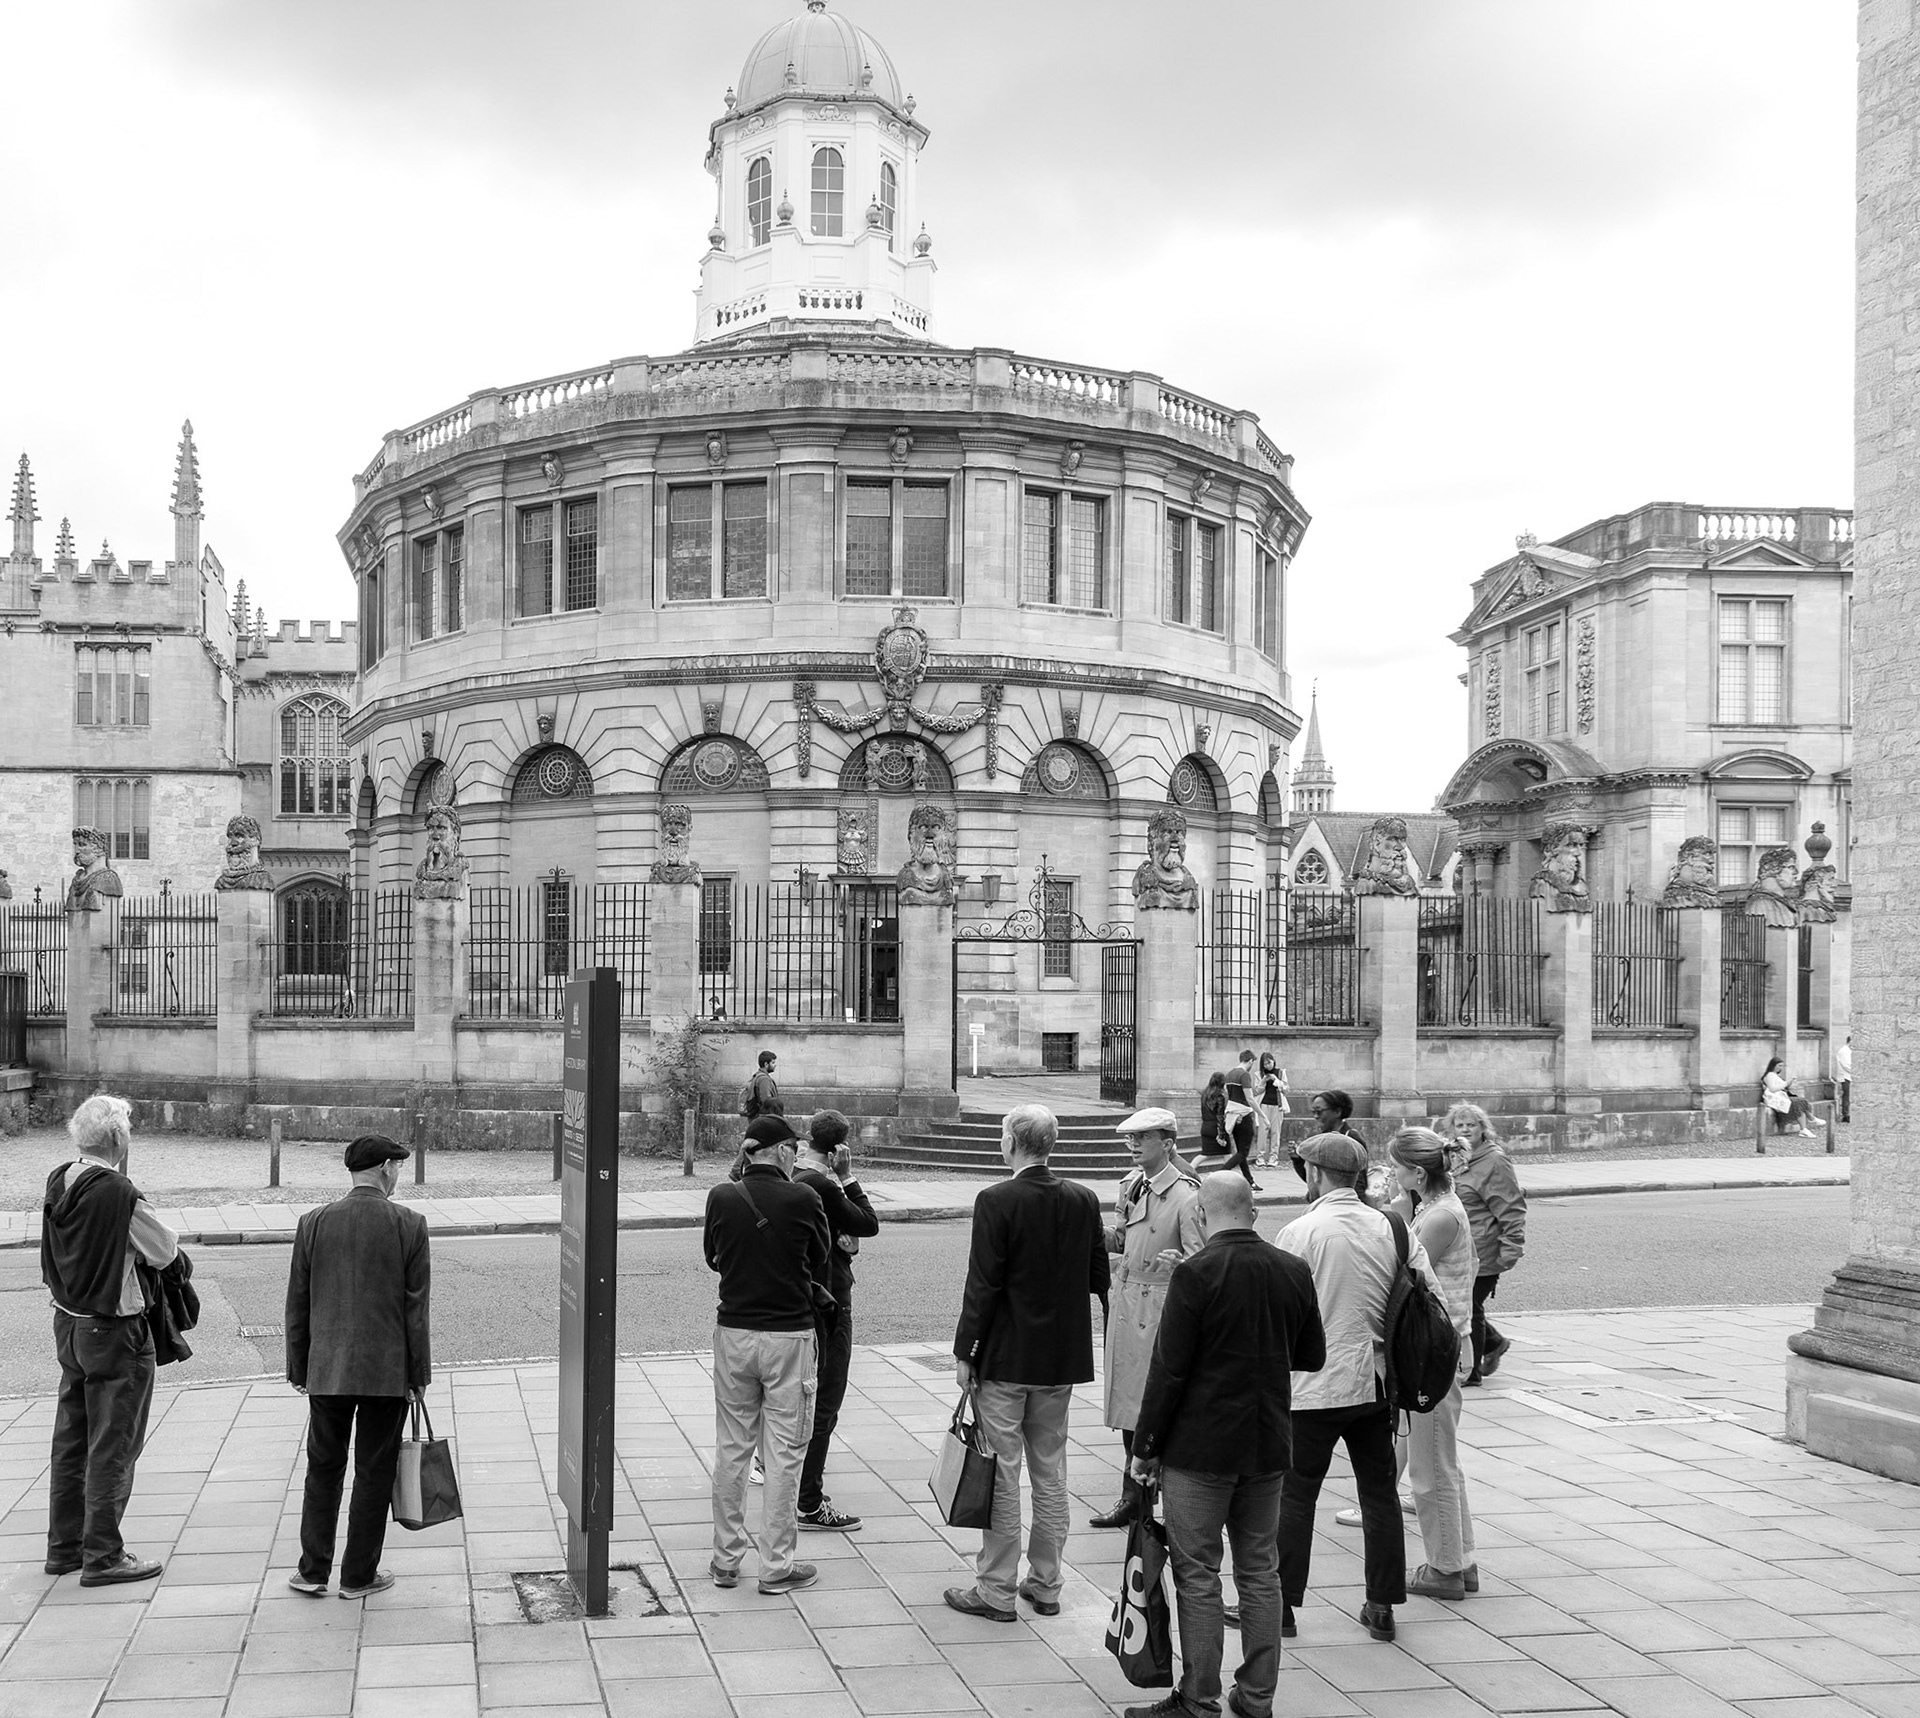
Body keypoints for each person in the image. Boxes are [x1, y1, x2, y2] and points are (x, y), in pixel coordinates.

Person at [1127, 1173, 1324, 1718]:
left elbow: (1168, 1370)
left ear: (1201, 1215)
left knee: (1198, 1572)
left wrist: (1144, 1447)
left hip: (1201, 1448)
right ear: (1253, 1212)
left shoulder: (1196, 1272)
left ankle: (1199, 1697)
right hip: (1266, 1443)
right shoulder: (1292, 1269)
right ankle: (1257, 1697)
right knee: (1260, 1570)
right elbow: (1311, 1354)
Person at [947, 1104, 1110, 1623]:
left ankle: (996, 1589)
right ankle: (1046, 1582)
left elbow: (984, 1284)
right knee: (1050, 1471)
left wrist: (966, 1352)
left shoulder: (996, 1199)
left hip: (1007, 1356)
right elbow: (1096, 1274)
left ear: (1013, 1142)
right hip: (1059, 1357)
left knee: (1000, 1471)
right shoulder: (1083, 1199)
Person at [1274, 1133, 1438, 1644]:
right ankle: (1382, 1605)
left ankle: (1280, 1608)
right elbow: (1426, 1293)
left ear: (1316, 1174)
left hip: (1313, 1386)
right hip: (1376, 1382)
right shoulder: (1393, 1227)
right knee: (1379, 1494)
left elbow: (1280, 1314)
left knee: (1295, 1496)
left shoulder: (1297, 1232)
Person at [285, 1134, 432, 1600]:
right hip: (385, 1372)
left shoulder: (313, 1222)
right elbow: (416, 1310)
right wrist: (418, 1375)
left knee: (322, 1469)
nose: (397, 1177)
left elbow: (299, 1301)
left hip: (326, 1368)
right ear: (387, 1167)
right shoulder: (409, 1224)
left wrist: (298, 1365)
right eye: (398, 1168)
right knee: (374, 1470)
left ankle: (312, 1572)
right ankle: (358, 1576)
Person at [41, 1094, 177, 1587]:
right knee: (113, 1442)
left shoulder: (62, 1177)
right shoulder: (119, 1193)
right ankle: (103, 1555)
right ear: (118, 1139)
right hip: (114, 1329)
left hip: (69, 1323)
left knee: (71, 1439)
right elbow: (164, 1250)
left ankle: (64, 1548)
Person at [703, 1114, 830, 1595]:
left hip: (734, 1332)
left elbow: (713, 1256)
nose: (796, 1158)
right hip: (788, 1338)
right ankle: (775, 1566)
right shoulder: (804, 1197)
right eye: (794, 1150)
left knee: (732, 1450)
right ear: (779, 1152)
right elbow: (818, 1257)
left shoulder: (721, 1196)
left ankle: (725, 1560)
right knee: (783, 1455)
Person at [1090, 1108, 1204, 1530]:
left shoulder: (1188, 1196)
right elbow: (1123, 1239)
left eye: (1143, 1138)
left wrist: (1182, 1267)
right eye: (1130, 1138)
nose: (1133, 1145)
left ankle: (1162, 1501)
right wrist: (1089, 1228)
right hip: (1126, 1303)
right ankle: (1133, 1498)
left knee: (1153, 1408)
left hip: (1159, 1309)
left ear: (1168, 1143)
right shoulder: (1131, 1184)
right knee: (1128, 1408)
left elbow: (1202, 1260)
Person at [1384, 1128, 1477, 1601]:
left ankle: (1444, 1569)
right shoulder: (1432, 1207)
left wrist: (1396, 1211)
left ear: (1418, 1172)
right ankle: (1461, 1560)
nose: (1391, 1174)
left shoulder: (1439, 1216)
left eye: (1396, 1167)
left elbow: (1403, 1270)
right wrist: (1402, 1204)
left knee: (1429, 1468)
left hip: (1434, 1353)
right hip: (1440, 1349)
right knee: (1442, 1462)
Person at [790, 1109, 880, 1532]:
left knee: (794, 1396)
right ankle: (809, 1501)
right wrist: (848, 1177)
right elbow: (868, 1223)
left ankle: (790, 1481)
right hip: (829, 1301)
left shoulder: (793, 1175)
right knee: (826, 1399)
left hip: (801, 1298)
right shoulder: (825, 1184)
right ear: (842, 1146)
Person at [1446, 1103, 1526, 1385]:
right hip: (1460, 1245)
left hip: (1484, 1246)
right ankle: (1492, 1344)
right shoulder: (1456, 1157)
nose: (1466, 1130)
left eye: (1472, 1125)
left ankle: (1473, 1370)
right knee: (1461, 1303)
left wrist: (1511, 1246)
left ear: (1483, 1128)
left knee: (1469, 1307)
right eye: (1460, 1125)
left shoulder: (1494, 1161)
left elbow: (1511, 1206)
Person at [1286, 1089, 1358, 1183]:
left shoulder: (1351, 1138)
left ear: (1337, 1112)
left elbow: (1358, 1181)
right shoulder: (1321, 1139)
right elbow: (1314, 1180)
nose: (1315, 1116)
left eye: (1319, 1111)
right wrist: (1297, 1159)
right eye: (1313, 1112)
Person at [1762, 1057, 1818, 1139]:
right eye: (1779, 1065)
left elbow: (1782, 1088)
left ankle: (1806, 1126)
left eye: (1782, 1066)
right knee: (1799, 1101)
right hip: (1776, 1098)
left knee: (1800, 1102)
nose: (1780, 1068)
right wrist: (1785, 1083)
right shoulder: (1769, 1075)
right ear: (1773, 1065)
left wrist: (1789, 1083)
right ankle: (1810, 1120)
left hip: (1781, 1096)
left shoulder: (1776, 1075)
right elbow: (1772, 1088)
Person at [1222, 1069, 1260, 1190]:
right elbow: (1250, 1098)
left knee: (1240, 1152)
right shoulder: (1244, 1075)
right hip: (1244, 1115)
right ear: (1250, 1061)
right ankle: (1221, 1172)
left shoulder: (1229, 1074)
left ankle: (1250, 1181)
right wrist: (1263, 1116)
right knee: (1243, 1152)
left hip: (1233, 1115)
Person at [1255, 1054, 1290, 1169]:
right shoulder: (1259, 1074)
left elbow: (1286, 1089)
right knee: (1262, 1132)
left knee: (1276, 1132)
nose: (1268, 1066)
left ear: (1274, 1061)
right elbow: (1257, 1091)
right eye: (1265, 1064)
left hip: (1278, 1105)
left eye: (1269, 1063)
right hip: (1263, 1105)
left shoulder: (1280, 1072)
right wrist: (1263, 1081)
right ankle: (1260, 1157)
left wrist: (1276, 1080)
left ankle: (1273, 1157)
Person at [1196, 1071, 1232, 1173]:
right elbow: (1220, 1116)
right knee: (1227, 1153)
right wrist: (1221, 1135)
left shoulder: (1205, 1094)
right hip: (1215, 1128)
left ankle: (1189, 1170)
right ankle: (1227, 1176)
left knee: (1204, 1154)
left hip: (1206, 1126)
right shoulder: (1219, 1096)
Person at [741, 1050, 783, 1119]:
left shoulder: (757, 1076)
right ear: (766, 1064)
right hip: (763, 1119)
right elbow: (766, 1101)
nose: (775, 1065)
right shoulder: (764, 1079)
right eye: (773, 1063)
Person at [1837, 1035, 1852, 1124]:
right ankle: (1845, 1115)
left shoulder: (1848, 1051)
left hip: (1849, 1076)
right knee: (1846, 1096)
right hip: (1845, 1076)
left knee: (1848, 1096)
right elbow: (1846, 1065)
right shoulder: (1844, 1051)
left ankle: (1848, 1114)